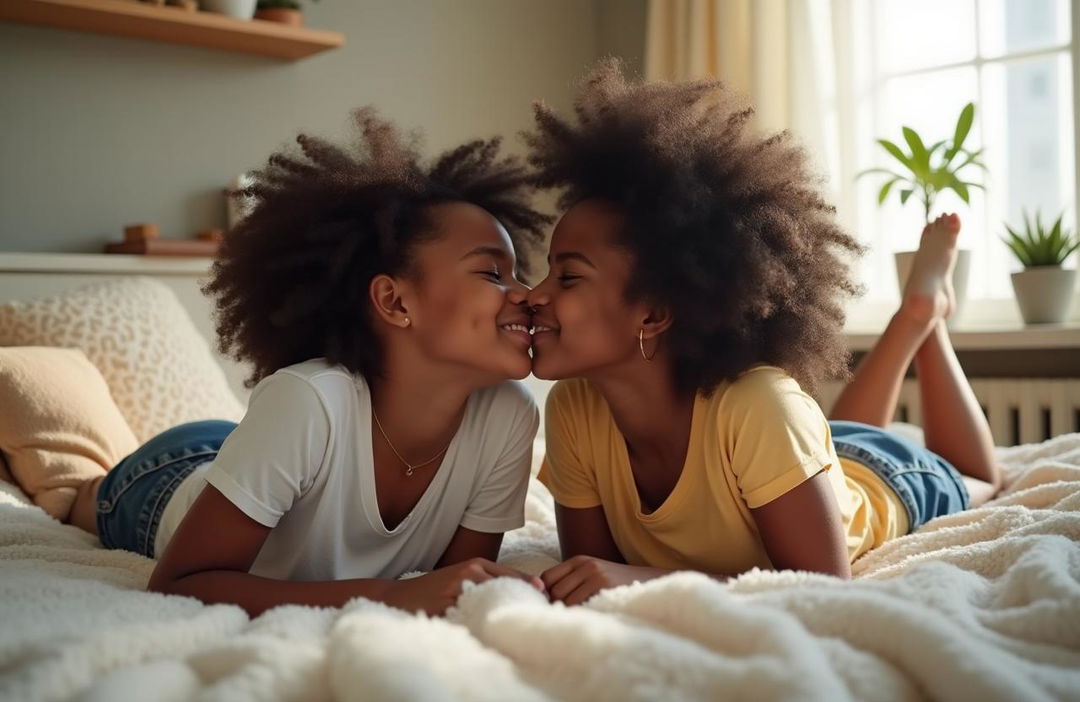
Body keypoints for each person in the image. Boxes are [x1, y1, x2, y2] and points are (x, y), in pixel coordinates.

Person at [523, 61, 1002, 606]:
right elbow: (591, 572)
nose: (533, 294)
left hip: (884, 476)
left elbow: (822, 585)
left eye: (567, 276)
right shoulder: (573, 408)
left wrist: (646, 580)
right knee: (835, 434)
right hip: (803, 462)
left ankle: (922, 316)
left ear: (653, 314)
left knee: (980, 479)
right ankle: (916, 317)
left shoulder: (759, 404)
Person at [66, 108, 551, 617]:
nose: (529, 295)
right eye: (493, 274)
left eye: (519, 273)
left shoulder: (510, 415)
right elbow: (181, 582)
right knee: (88, 499)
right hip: (167, 475)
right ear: (395, 302)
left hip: (255, 449)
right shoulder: (308, 400)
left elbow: (455, 583)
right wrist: (387, 595)